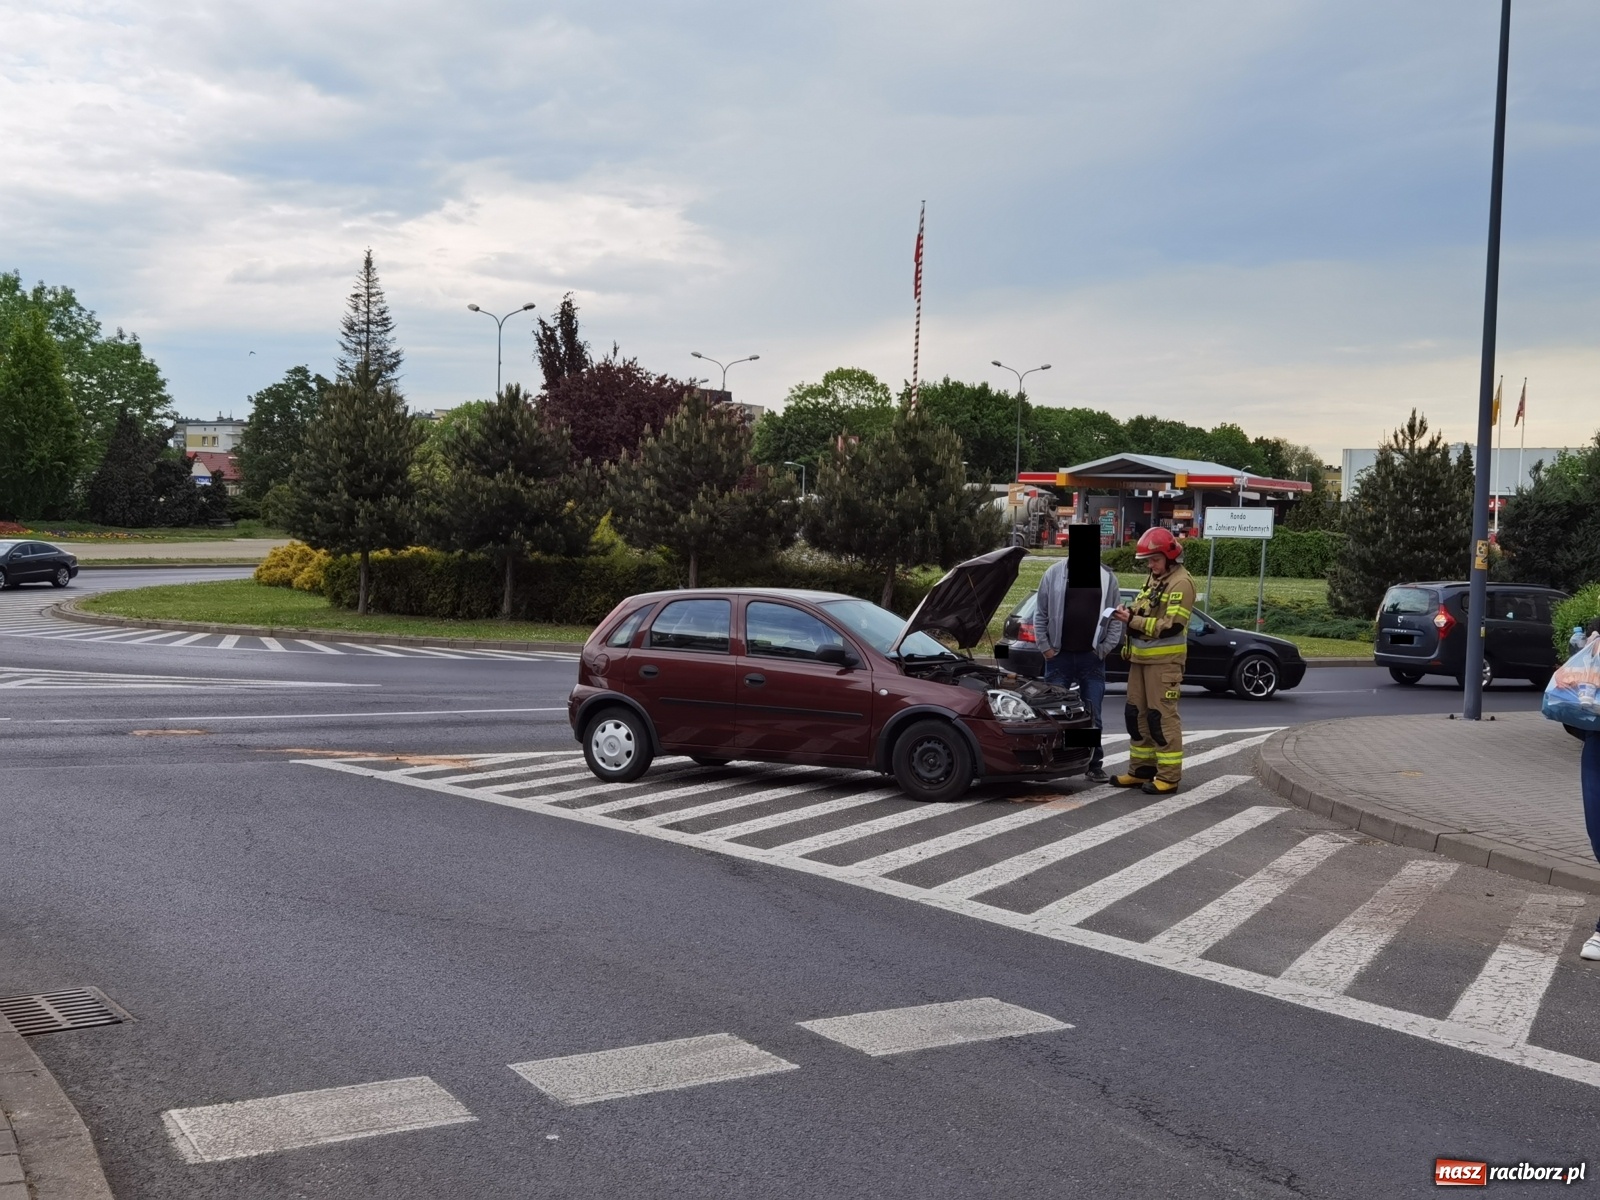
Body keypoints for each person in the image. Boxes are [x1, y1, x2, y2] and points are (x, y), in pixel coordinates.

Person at [1109, 527, 1196, 794]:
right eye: (1148, 560)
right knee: (1136, 716)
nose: (1150, 565)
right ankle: (1141, 770)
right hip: (1141, 660)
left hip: (1164, 664)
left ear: (1169, 557)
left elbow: (1172, 626)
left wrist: (1132, 621)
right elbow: (1146, 606)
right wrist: (1129, 611)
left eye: (1154, 560)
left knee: (1162, 718)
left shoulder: (1181, 583)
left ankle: (1168, 777)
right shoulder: (1156, 578)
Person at [1035, 550, 1123, 783]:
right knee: (1053, 715)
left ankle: (1093, 764)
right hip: (1059, 657)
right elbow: (1040, 613)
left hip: (1091, 658)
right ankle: (1052, 763)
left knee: (1093, 716)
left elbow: (1115, 618)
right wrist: (1045, 648)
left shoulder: (1107, 577)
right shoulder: (1053, 574)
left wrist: (1103, 649)